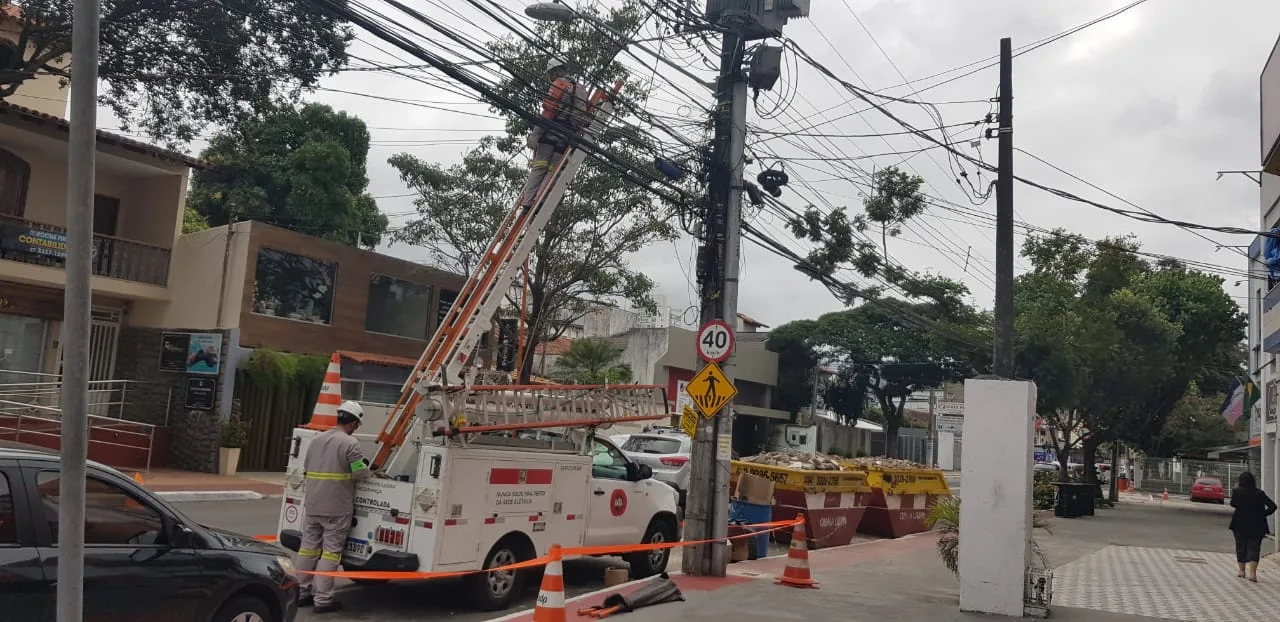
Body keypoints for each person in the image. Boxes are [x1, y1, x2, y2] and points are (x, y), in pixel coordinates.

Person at [297, 401, 373, 613]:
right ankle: (323, 601)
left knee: (308, 548)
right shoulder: (350, 443)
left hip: (313, 503)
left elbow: (307, 467)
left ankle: (300, 592)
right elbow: (359, 472)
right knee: (330, 554)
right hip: (336, 508)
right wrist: (371, 472)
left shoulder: (316, 439)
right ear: (354, 423)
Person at [518, 57, 591, 208]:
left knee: (539, 166)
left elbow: (549, 111)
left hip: (550, 130)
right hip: (567, 135)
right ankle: (540, 200)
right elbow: (582, 117)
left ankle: (527, 202)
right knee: (552, 170)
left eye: (550, 74)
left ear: (557, 71)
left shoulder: (559, 85)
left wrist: (535, 134)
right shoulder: (582, 90)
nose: (550, 78)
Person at [1228, 471, 1277, 582]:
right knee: (1254, 548)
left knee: (1241, 547)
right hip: (1257, 525)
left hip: (1239, 524)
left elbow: (1232, 504)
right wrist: (1262, 514)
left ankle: (1241, 571)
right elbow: (1273, 506)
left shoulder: (1237, 492)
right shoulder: (1259, 493)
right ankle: (1253, 574)